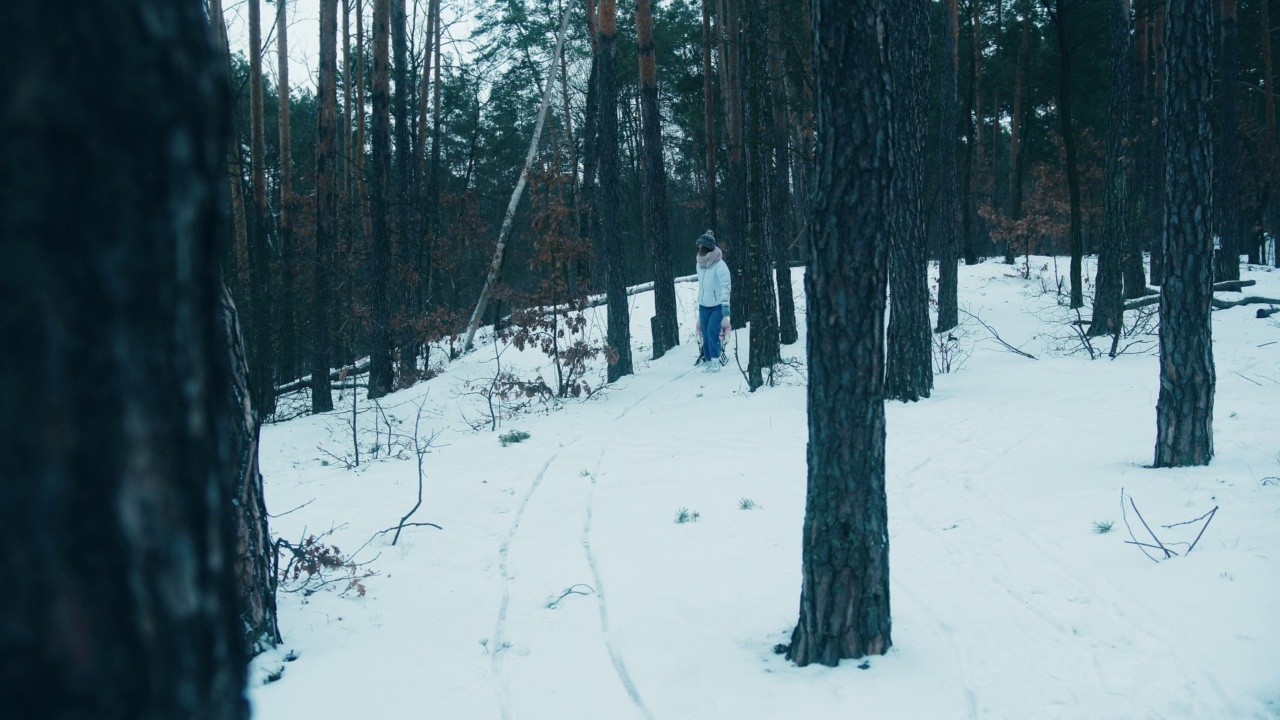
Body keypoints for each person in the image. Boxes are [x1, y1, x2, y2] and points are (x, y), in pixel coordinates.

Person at [694, 230, 731, 368]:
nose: (699, 249)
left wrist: (725, 304)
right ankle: (708, 361)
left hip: (717, 305)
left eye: (701, 247)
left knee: (712, 333)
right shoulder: (699, 264)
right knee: (705, 334)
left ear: (708, 248)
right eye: (699, 247)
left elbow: (726, 285)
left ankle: (716, 361)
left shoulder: (720, 265)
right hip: (703, 305)